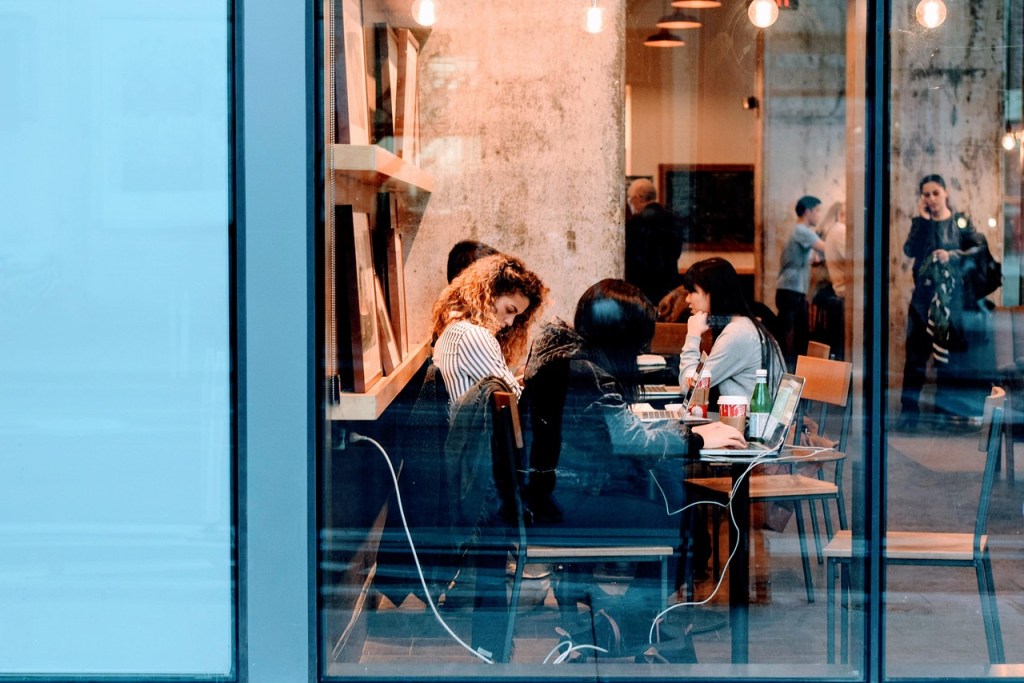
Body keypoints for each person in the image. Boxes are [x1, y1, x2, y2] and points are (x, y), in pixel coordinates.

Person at [523, 279, 746, 602]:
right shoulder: (587, 373)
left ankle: (617, 619)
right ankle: (631, 625)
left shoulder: (565, 360)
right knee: (689, 531)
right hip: (566, 504)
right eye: (640, 338)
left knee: (674, 498)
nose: (642, 348)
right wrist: (696, 437)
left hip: (555, 495)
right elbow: (631, 441)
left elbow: (617, 437)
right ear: (622, 336)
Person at [899, 174, 991, 428]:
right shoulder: (922, 222)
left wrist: (952, 255)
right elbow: (910, 250)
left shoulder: (959, 221)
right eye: (926, 194)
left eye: (935, 193)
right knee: (916, 357)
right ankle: (909, 415)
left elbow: (979, 250)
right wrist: (923, 221)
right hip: (923, 300)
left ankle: (943, 412)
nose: (931, 199)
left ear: (946, 192)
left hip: (951, 300)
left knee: (948, 359)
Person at [431, 253, 547, 404]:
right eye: (510, 310)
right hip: (479, 427)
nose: (510, 322)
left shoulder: (455, 329)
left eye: (517, 316)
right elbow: (514, 402)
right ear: (490, 294)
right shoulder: (472, 336)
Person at [678, 258, 787, 403]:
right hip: (747, 419)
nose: (687, 299)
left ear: (714, 292)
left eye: (693, 291)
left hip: (750, 423)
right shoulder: (742, 324)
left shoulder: (737, 333)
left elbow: (689, 389)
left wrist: (692, 335)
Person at [775, 195, 826, 370]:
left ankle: (794, 372)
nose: (819, 215)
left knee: (798, 333)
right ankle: (784, 370)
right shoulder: (802, 231)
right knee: (788, 332)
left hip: (792, 289)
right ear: (807, 211)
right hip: (791, 289)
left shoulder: (798, 232)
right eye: (817, 211)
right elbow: (826, 248)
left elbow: (812, 257)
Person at [625, 179, 685, 307]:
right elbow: (676, 252)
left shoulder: (635, 223)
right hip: (668, 286)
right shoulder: (673, 219)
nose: (631, 203)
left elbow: (632, 259)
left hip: (642, 289)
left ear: (639, 198)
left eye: (630, 199)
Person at [816, 201, 848, 358]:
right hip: (844, 293)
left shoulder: (834, 231)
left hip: (839, 290)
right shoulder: (841, 231)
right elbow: (856, 261)